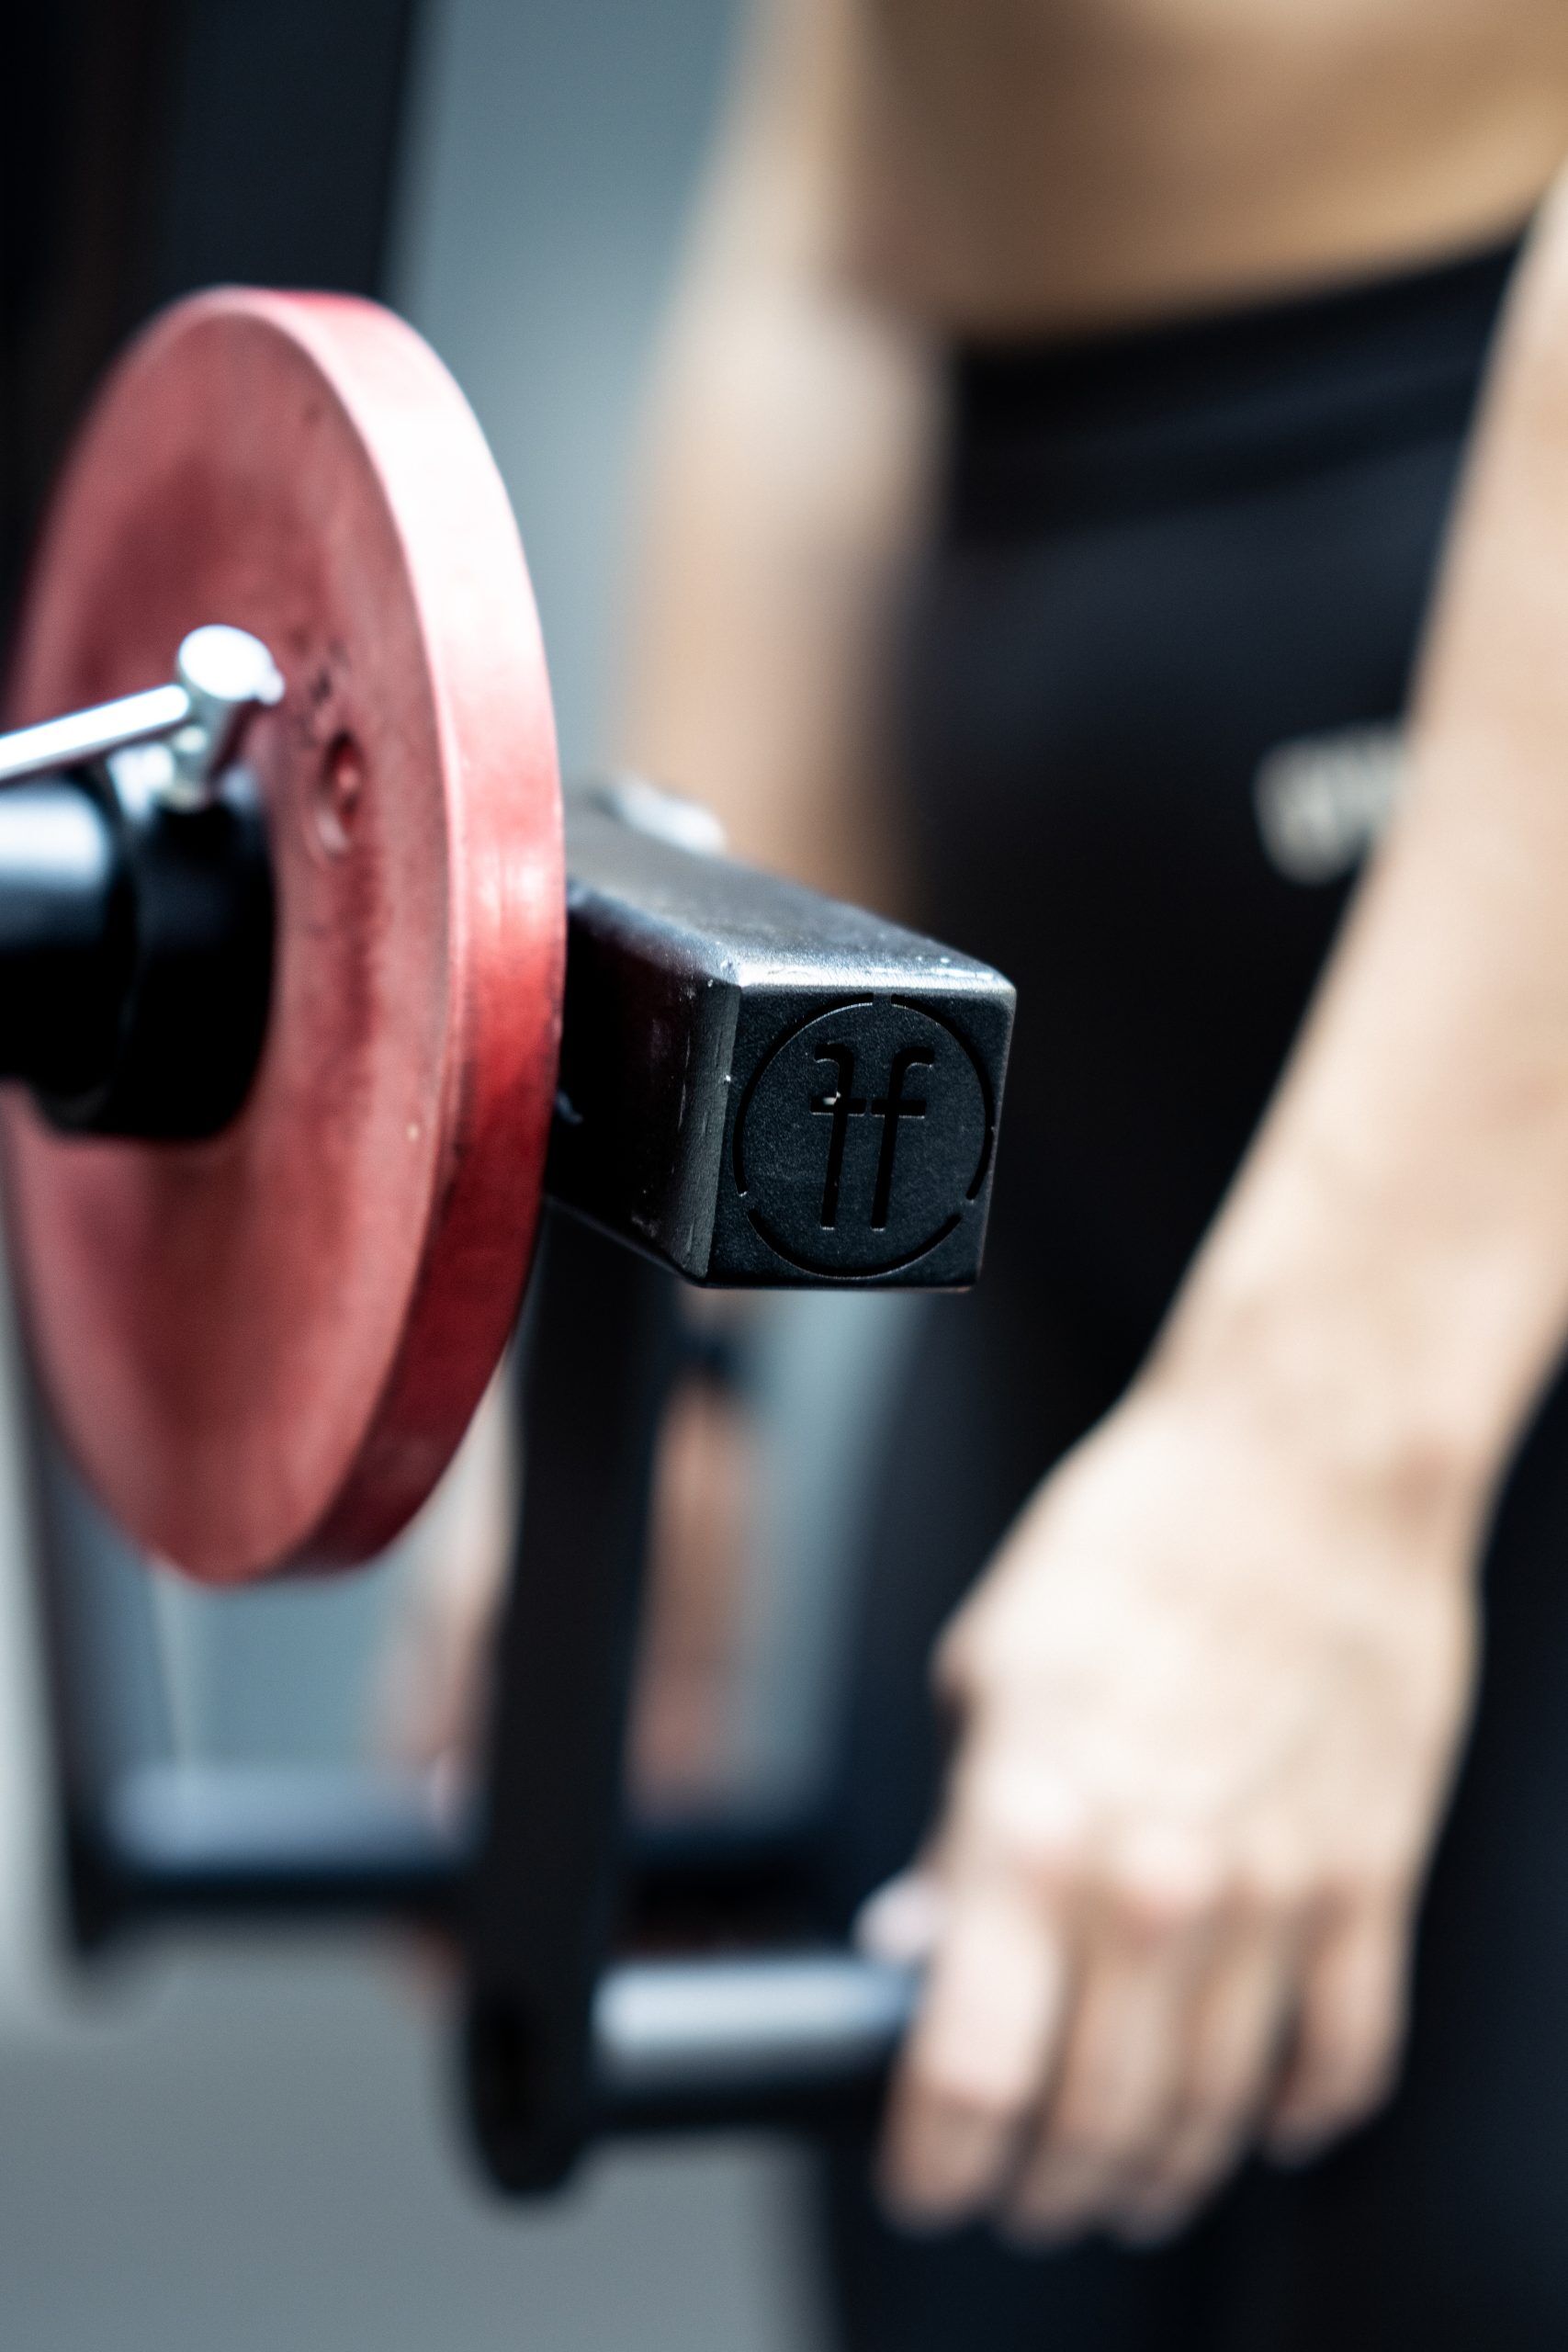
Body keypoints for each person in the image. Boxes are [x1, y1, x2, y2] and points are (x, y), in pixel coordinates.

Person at [409, 2, 1568, 2341]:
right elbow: (838, 221)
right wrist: (661, 1347)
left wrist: (1323, 1432)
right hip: (1082, 1083)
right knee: (970, 2242)